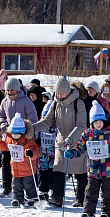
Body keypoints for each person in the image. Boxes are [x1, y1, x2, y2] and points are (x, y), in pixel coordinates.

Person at [64, 101, 110, 217]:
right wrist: (72, 153)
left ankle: (106, 212)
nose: (99, 124)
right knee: (90, 191)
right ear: (92, 123)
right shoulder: (87, 134)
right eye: (96, 122)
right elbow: (80, 148)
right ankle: (88, 212)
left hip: (108, 169)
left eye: (100, 121)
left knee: (107, 192)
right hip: (93, 169)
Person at [31, 77, 87, 207]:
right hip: (61, 141)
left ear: (67, 92)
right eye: (57, 93)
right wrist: (32, 128)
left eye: (62, 93)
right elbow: (47, 120)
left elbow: (81, 125)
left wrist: (71, 138)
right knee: (58, 169)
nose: (59, 96)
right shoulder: (55, 103)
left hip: (76, 141)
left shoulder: (78, 103)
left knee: (80, 171)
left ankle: (81, 197)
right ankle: (57, 197)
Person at [0, 77, 39, 199]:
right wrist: (4, 125)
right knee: (7, 161)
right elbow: (0, 115)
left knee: (25, 163)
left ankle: (30, 192)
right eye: (8, 90)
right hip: (9, 136)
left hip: (24, 136)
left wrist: (25, 130)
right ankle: (8, 187)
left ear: (17, 90)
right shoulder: (5, 101)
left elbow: (33, 119)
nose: (10, 93)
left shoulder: (26, 101)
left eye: (12, 90)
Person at [0, 112, 40, 207]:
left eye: (18, 134)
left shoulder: (28, 141)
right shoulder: (10, 139)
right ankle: (17, 199)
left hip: (27, 167)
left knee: (28, 184)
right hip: (15, 168)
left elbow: (36, 151)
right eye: (13, 134)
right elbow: (6, 146)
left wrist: (31, 153)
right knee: (16, 185)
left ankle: (32, 197)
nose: (15, 136)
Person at [35, 100, 56, 201]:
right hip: (42, 153)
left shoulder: (56, 127)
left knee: (52, 172)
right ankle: (43, 191)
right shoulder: (40, 126)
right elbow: (35, 137)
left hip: (53, 154)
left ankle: (53, 190)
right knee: (42, 172)